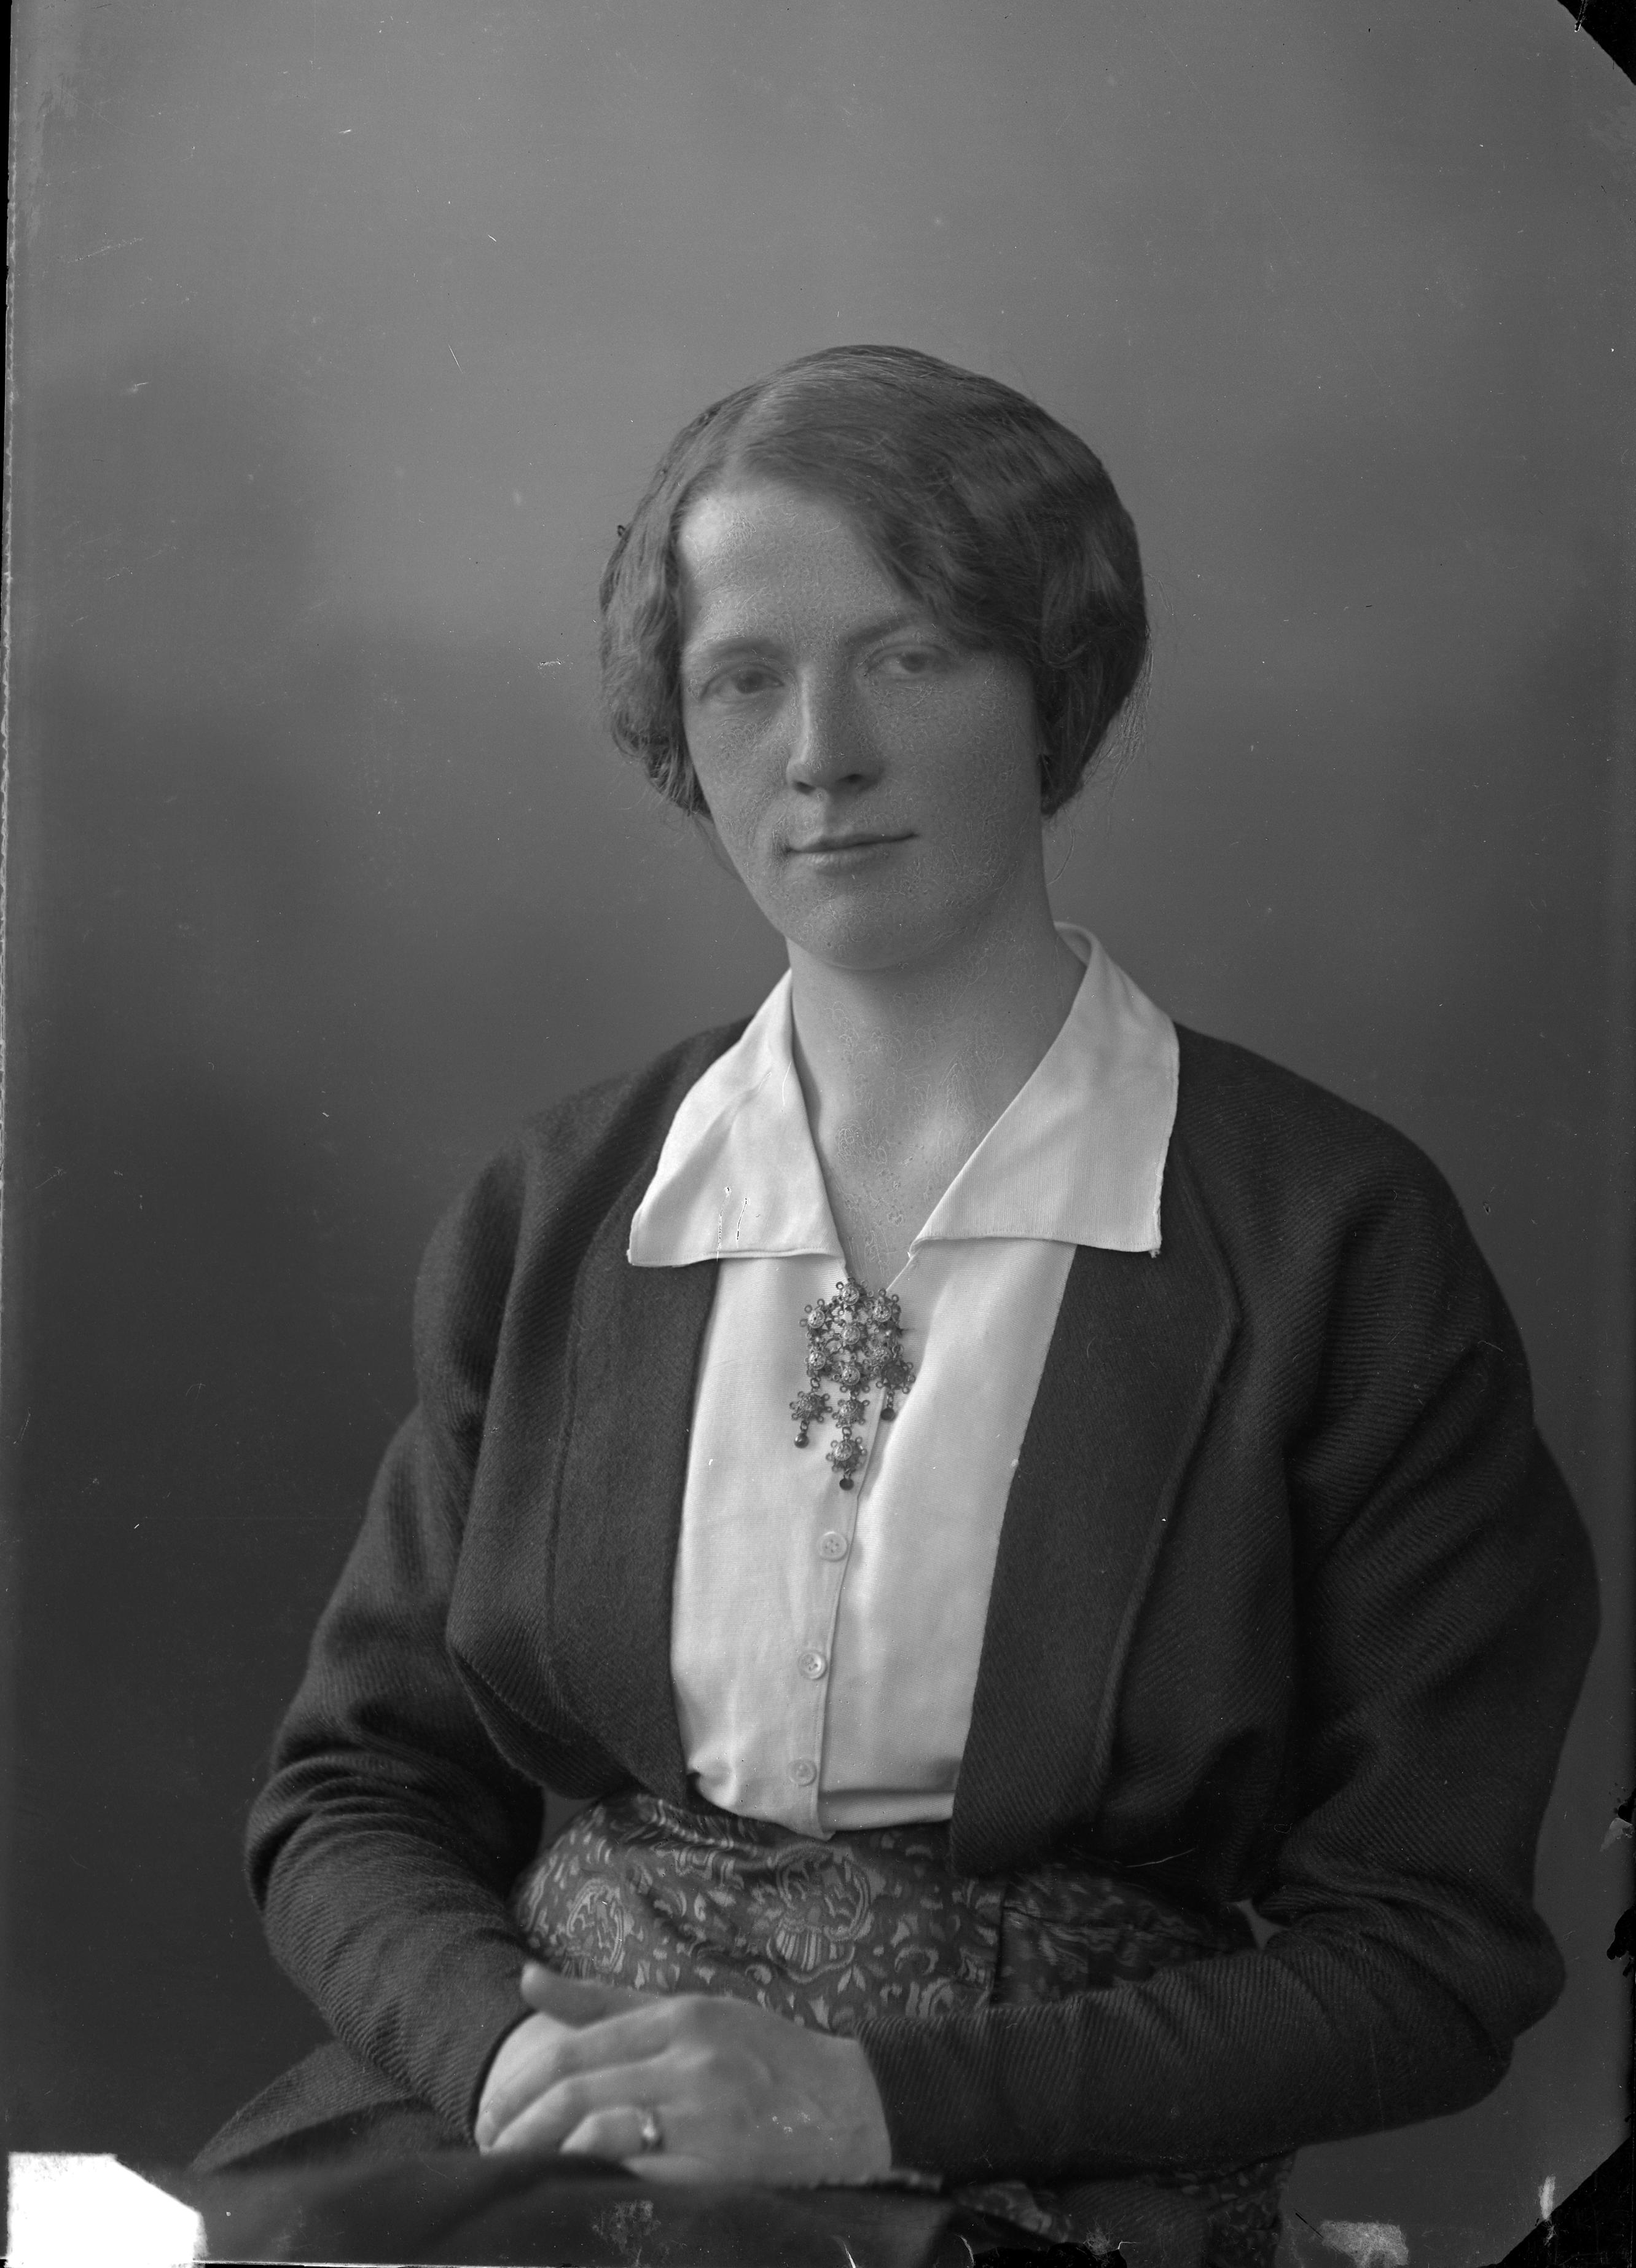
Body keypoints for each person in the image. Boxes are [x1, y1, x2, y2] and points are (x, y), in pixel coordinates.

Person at [200, 347, 1597, 2267]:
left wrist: (858, 2103)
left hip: (1046, 2180)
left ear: (1052, 685)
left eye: (911, 655)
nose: (821, 753)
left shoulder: (1332, 1240)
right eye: (742, 678)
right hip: (536, 2145)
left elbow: (1430, 1953)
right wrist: (513, 2054)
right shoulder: (563, 1211)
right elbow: (353, 1787)